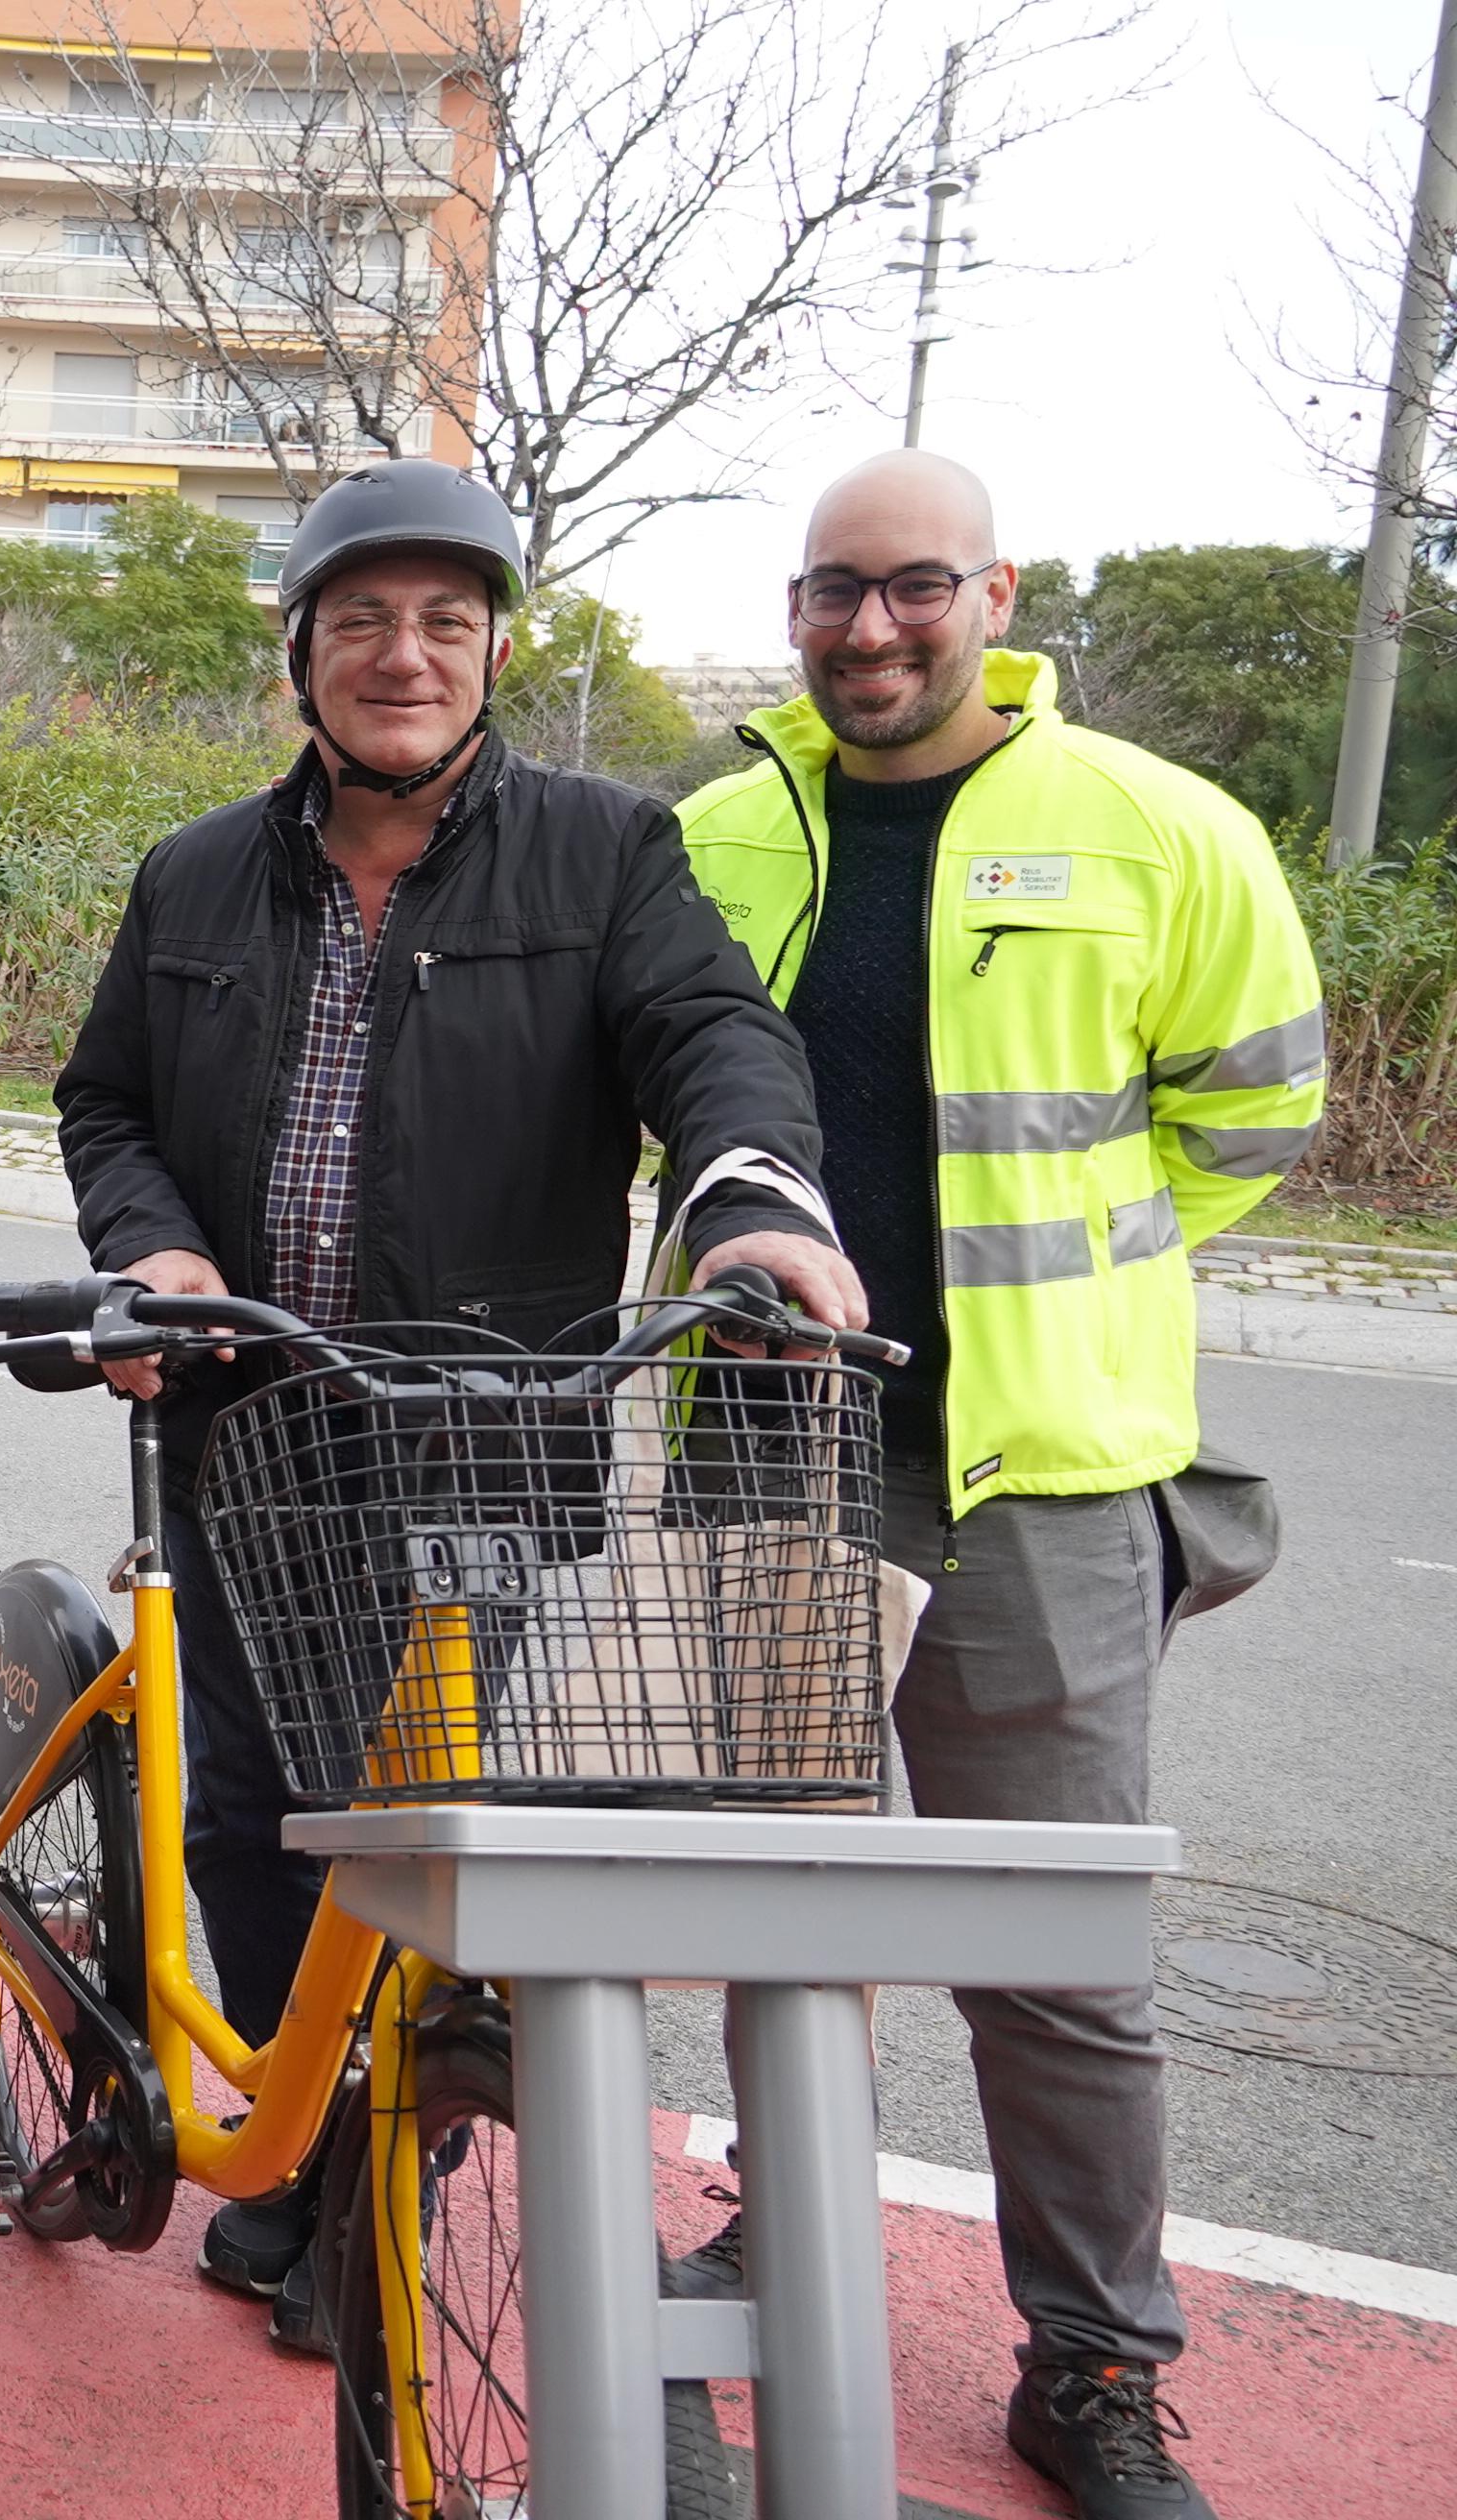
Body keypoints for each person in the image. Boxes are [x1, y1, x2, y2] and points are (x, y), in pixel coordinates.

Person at [54, 458, 860, 2345]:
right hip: (243, 1426)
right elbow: (106, 1103)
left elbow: (717, 1043)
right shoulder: (195, 873)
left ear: (496, 649)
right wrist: (157, 1251)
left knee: (457, 1833)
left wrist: (749, 1207)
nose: (400, 656)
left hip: (491, 1437)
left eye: (442, 620)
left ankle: (389, 2161)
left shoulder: (606, 851)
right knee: (250, 1814)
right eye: (360, 621)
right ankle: (314, 2139)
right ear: (303, 656)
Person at [673, 450, 1322, 2520]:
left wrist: (1076, 1278)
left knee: (1061, 1961)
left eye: (914, 587)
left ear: (996, 594)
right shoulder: (705, 840)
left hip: (1040, 1471)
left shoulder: (1152, 825)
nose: (873, 629)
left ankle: (1099, 2367)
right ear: (793, 611)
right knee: (784, 1915)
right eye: (833, 593)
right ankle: (781, 2241)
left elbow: (1255, 1104)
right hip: (767, 1459)